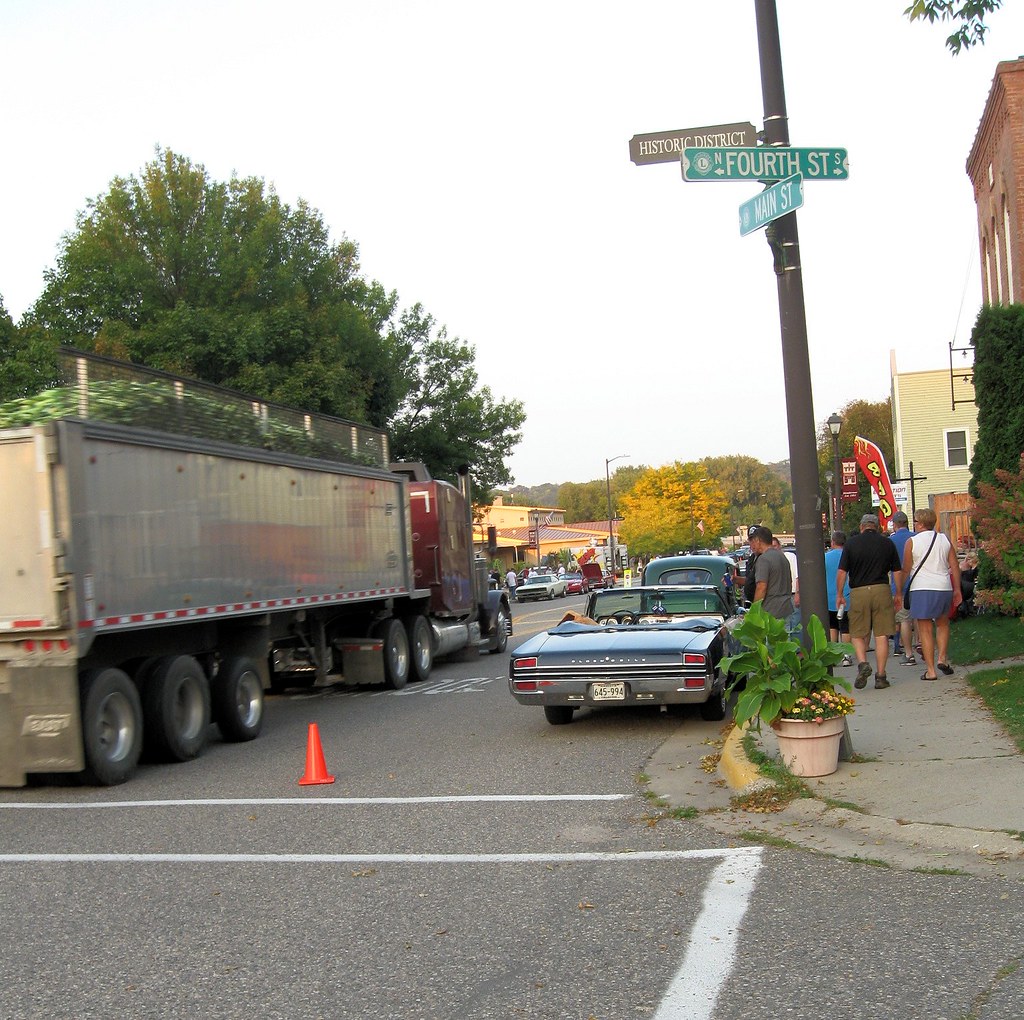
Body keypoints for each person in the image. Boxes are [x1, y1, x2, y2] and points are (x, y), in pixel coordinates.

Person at [836, 513, 904, 691]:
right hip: (881, 589)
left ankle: (863, 663)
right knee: (881, 635)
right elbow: (897, 570)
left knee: (857, 632)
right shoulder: (887, 543)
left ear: (861, 527)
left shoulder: (851, 544)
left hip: (858, 591)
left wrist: (839, 594)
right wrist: (898, 593)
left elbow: (842, 572)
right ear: (877, 527)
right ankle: (881, 676)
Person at [901, 507, 962, 681]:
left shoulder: (912, 542)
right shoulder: (944, 539)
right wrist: (957, 589)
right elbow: (954, 565)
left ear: (919, 523)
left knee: (925, 629)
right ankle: (942, 657)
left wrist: (898, 589)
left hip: (921, 588)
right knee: (943, 623)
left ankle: (931, 670)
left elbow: (906, 568)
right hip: (943, 586)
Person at [748, 526, 794, 623]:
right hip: (786, 609)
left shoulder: (764, 559)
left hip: (771, 613)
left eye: (753, 541)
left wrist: (754, 611)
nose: (752, 545)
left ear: (758, 540)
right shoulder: (782, 557)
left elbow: (761, 586)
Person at [889, 511, 915, 664]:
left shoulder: (891, 541)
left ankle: (909, 653)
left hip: (899, 585)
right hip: (917, 582)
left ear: (895, 524)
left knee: (903, 619)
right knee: (919, 618)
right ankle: (921, 645)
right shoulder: (915, 537)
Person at [824, 530, 853, 665]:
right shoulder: (849, 556)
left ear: (833, 542)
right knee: (845, 627)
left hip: (829, 596)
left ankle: (833, 655)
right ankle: (846, 656)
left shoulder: (825, 557)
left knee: (832, 626)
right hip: (846, 596)